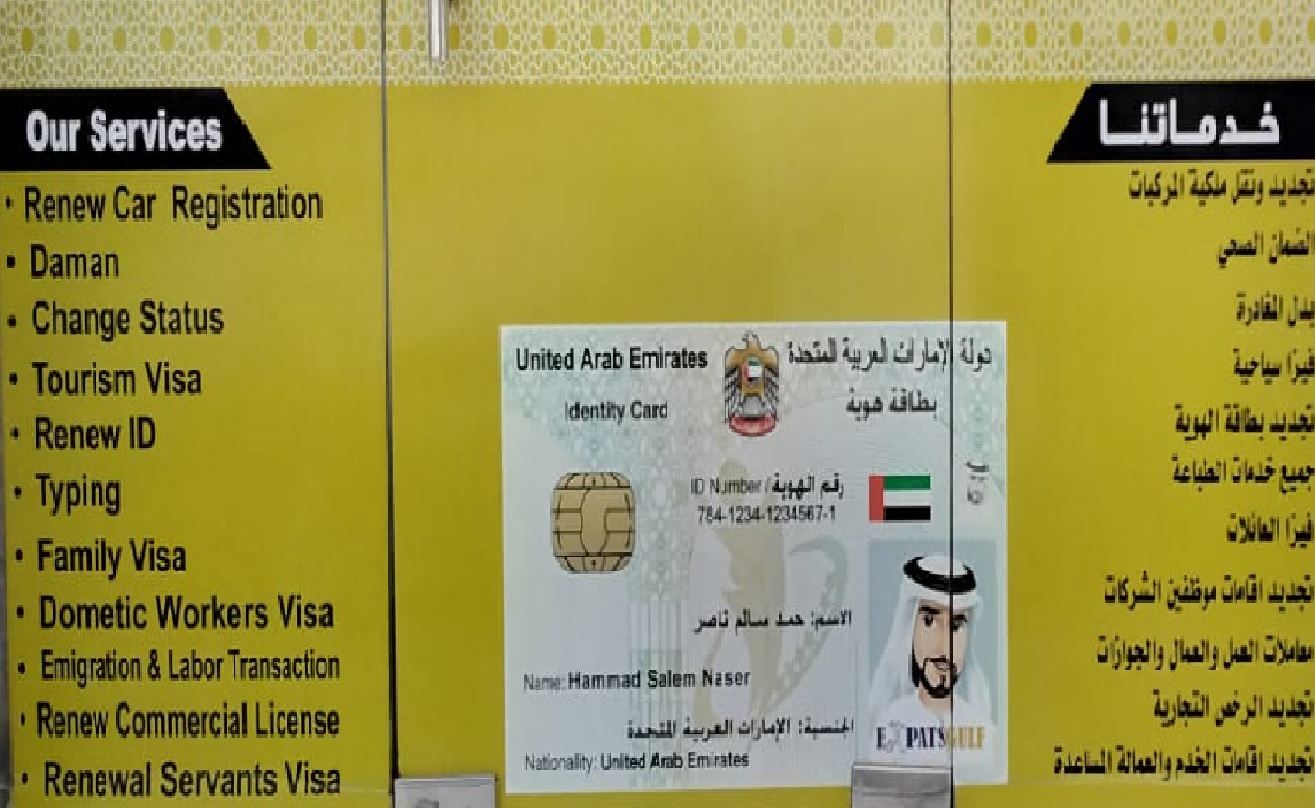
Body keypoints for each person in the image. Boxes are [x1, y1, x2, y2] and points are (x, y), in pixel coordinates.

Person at [866, 554, 997, 772]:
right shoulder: (889, 727)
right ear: (909, 628)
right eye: (929, 622)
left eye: (956, 625)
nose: (944, 646)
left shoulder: (986, 734)